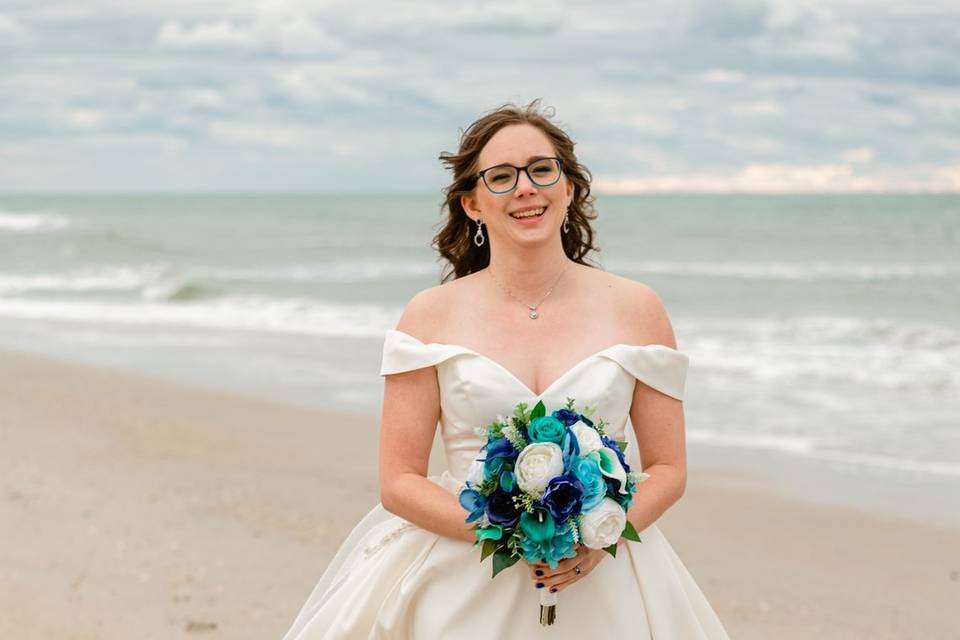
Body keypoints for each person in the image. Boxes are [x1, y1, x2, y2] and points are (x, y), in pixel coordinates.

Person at [281, 100, 730, 638]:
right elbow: (398, 481)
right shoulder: (429, 315)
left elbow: (669, 468)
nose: (525, 188)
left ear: (569, 187)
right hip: (462, 572)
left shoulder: (638, 308)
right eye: (501, 177)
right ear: (472, 203)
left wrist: (600, 539)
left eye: (542, 169)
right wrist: (508, 532)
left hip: (602, 576)